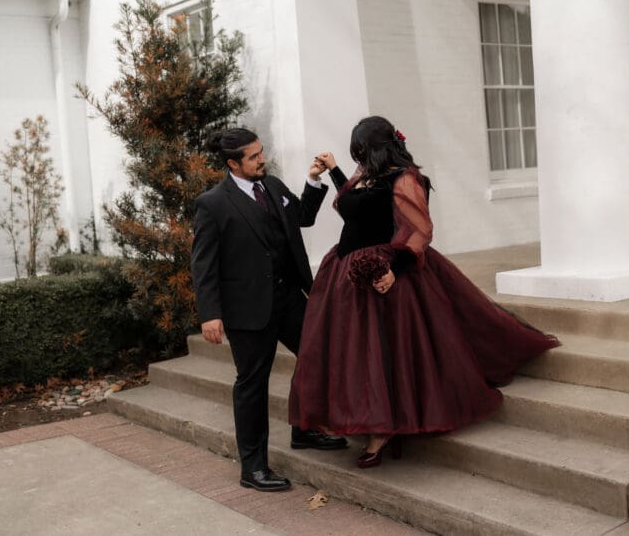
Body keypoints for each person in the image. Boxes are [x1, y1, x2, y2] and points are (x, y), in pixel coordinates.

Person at [289, 116, 560, 468]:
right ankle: (362, 416)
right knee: (353, 355)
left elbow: (419, 231)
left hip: (387, 273)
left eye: (362, 151)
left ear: (380, 148)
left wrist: (393, 270)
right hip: (345, 272)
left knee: (386, 354)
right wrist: (336, 172)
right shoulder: (364, 175)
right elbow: (354, 211)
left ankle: (381, 430)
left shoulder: (406, 179)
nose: (358, 157)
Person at [191, 127, 348, 493]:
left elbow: (303, 219)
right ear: (233, 163)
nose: (263, 159)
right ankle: (254, 468)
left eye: (261, 152)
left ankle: (304, 429)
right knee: (252, 385)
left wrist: (313, 182)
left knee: (315, 356)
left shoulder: (273, 186)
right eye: (254, 156)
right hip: (247, 309)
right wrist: (209, 313)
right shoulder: (212, 204)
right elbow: (203, 264)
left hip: (290, 297)